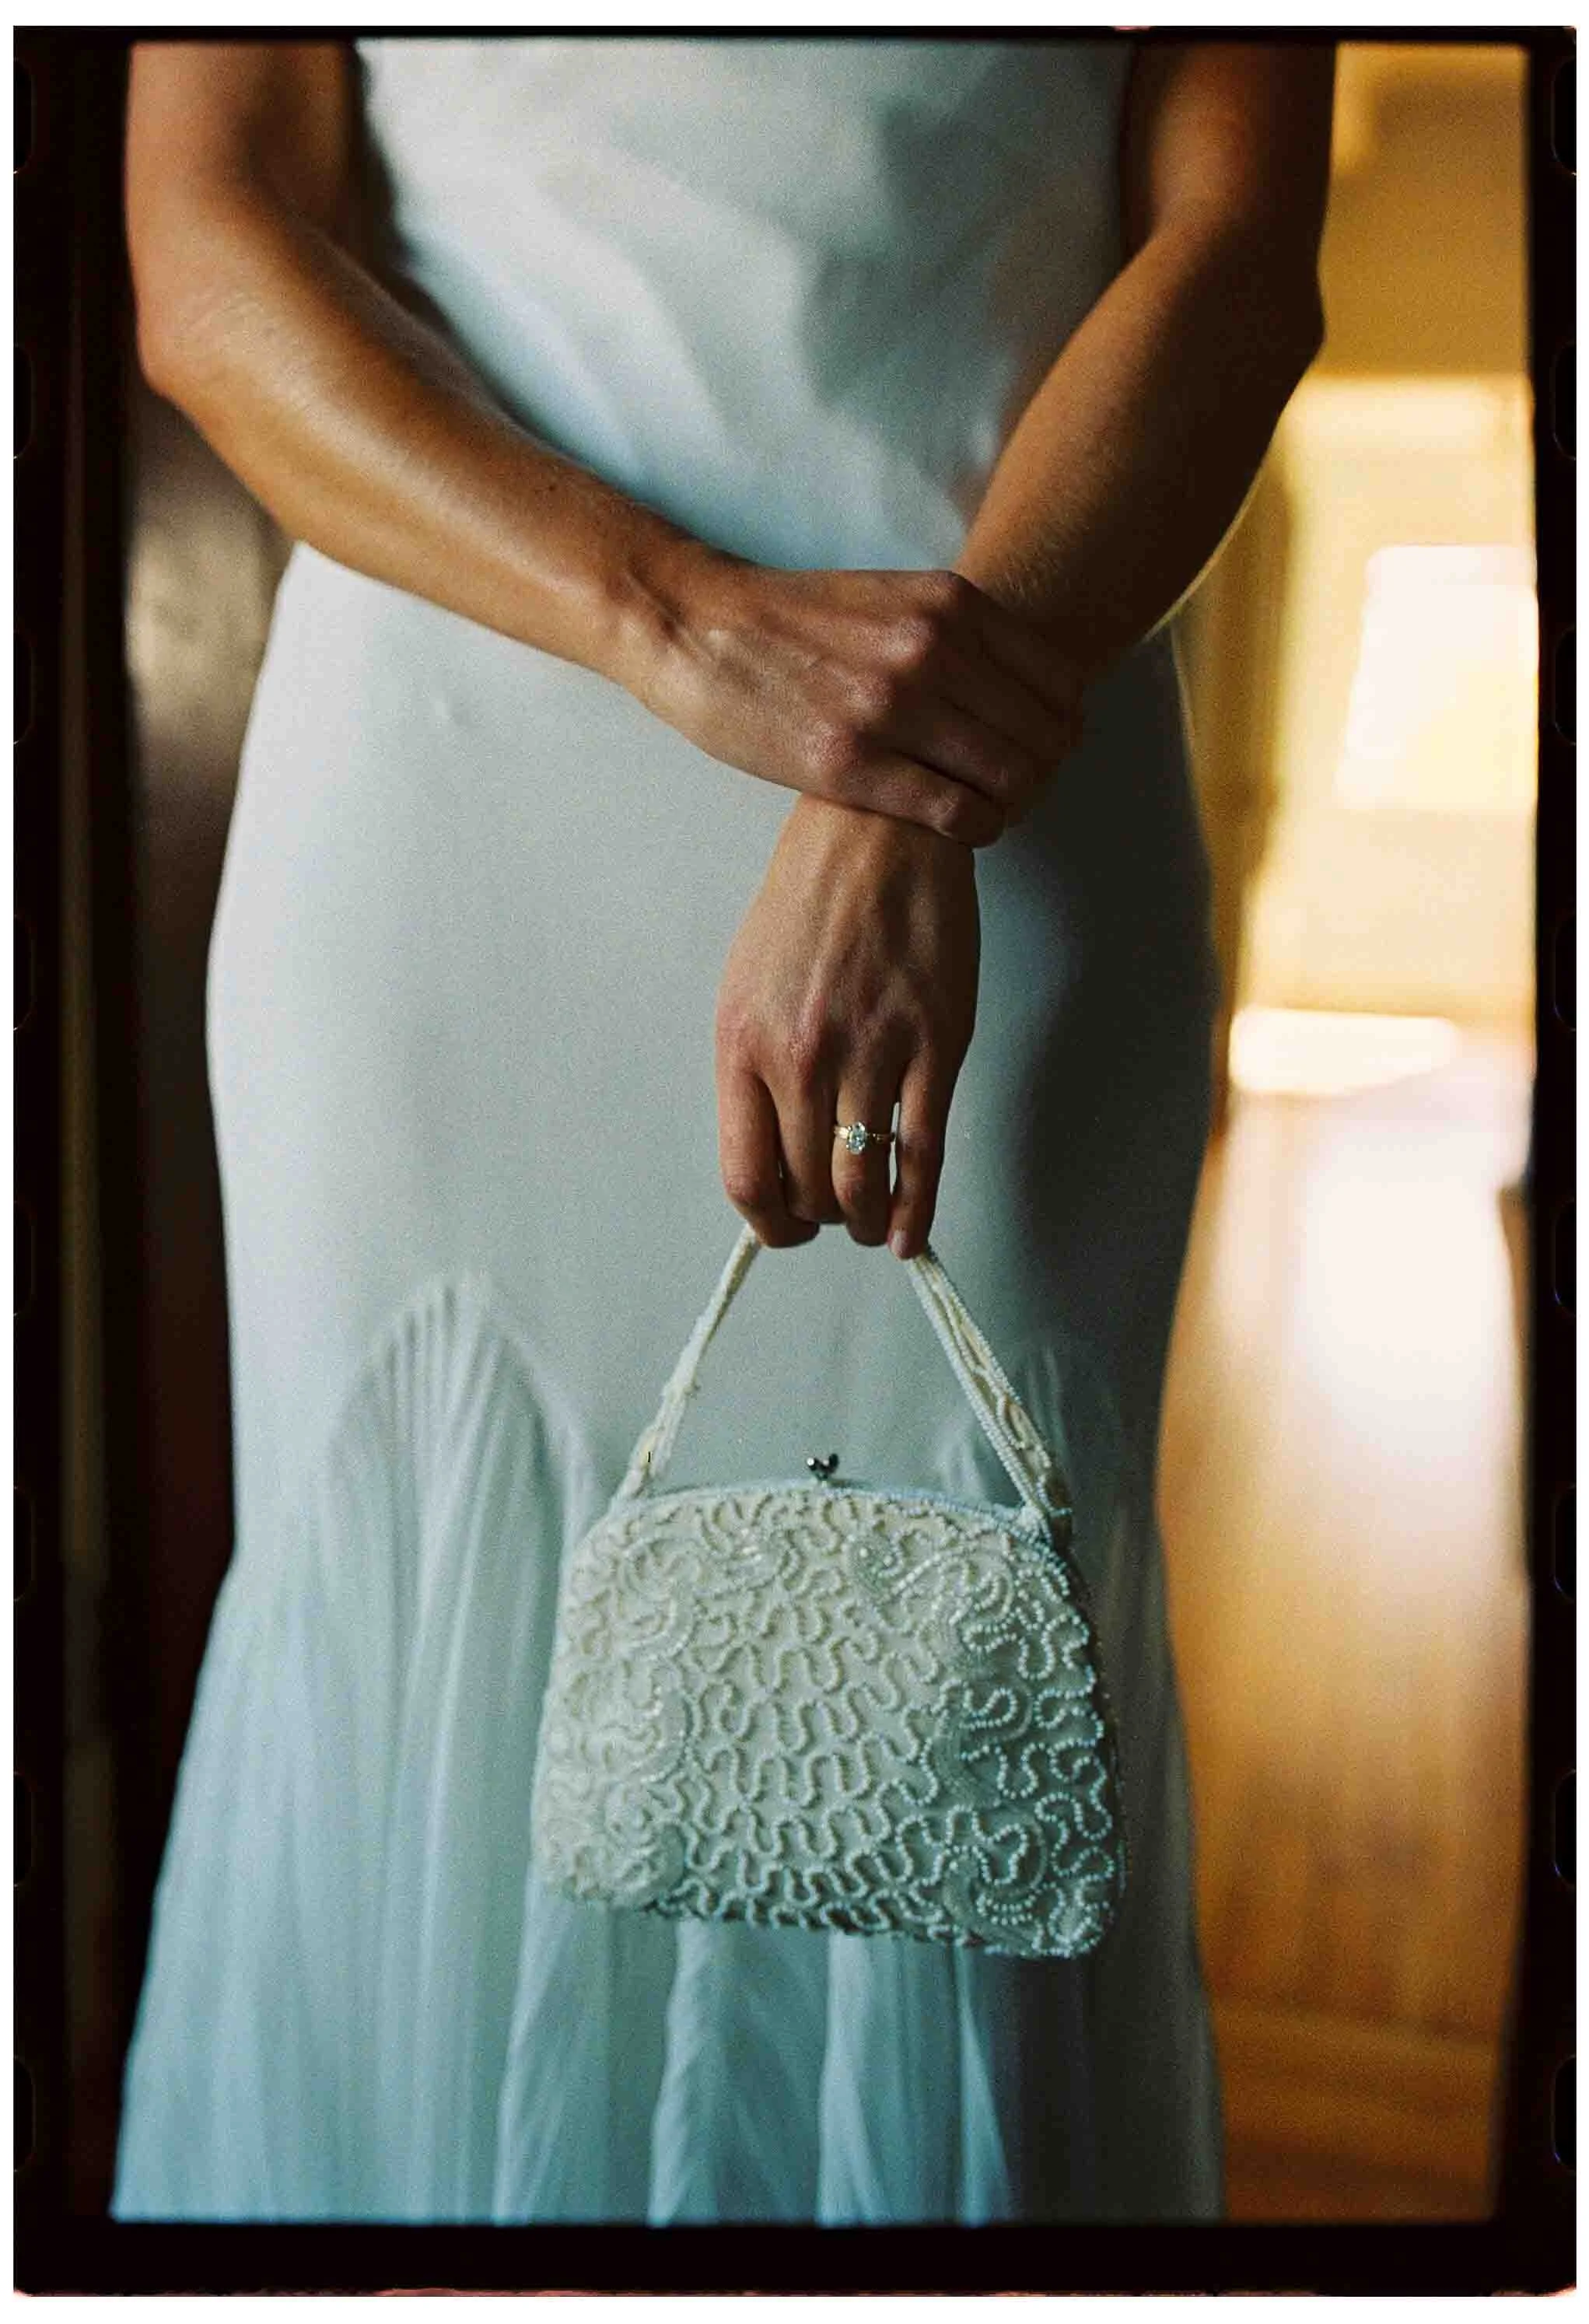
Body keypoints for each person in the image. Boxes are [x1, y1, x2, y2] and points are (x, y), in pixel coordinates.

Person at [111, 35, 1334, 2224]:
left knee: (952, 1716)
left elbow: (1237, 257)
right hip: (460, 787)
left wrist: (908, 778)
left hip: (1006, 773)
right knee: (416, 1683)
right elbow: (208, 254)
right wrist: (670, 619)